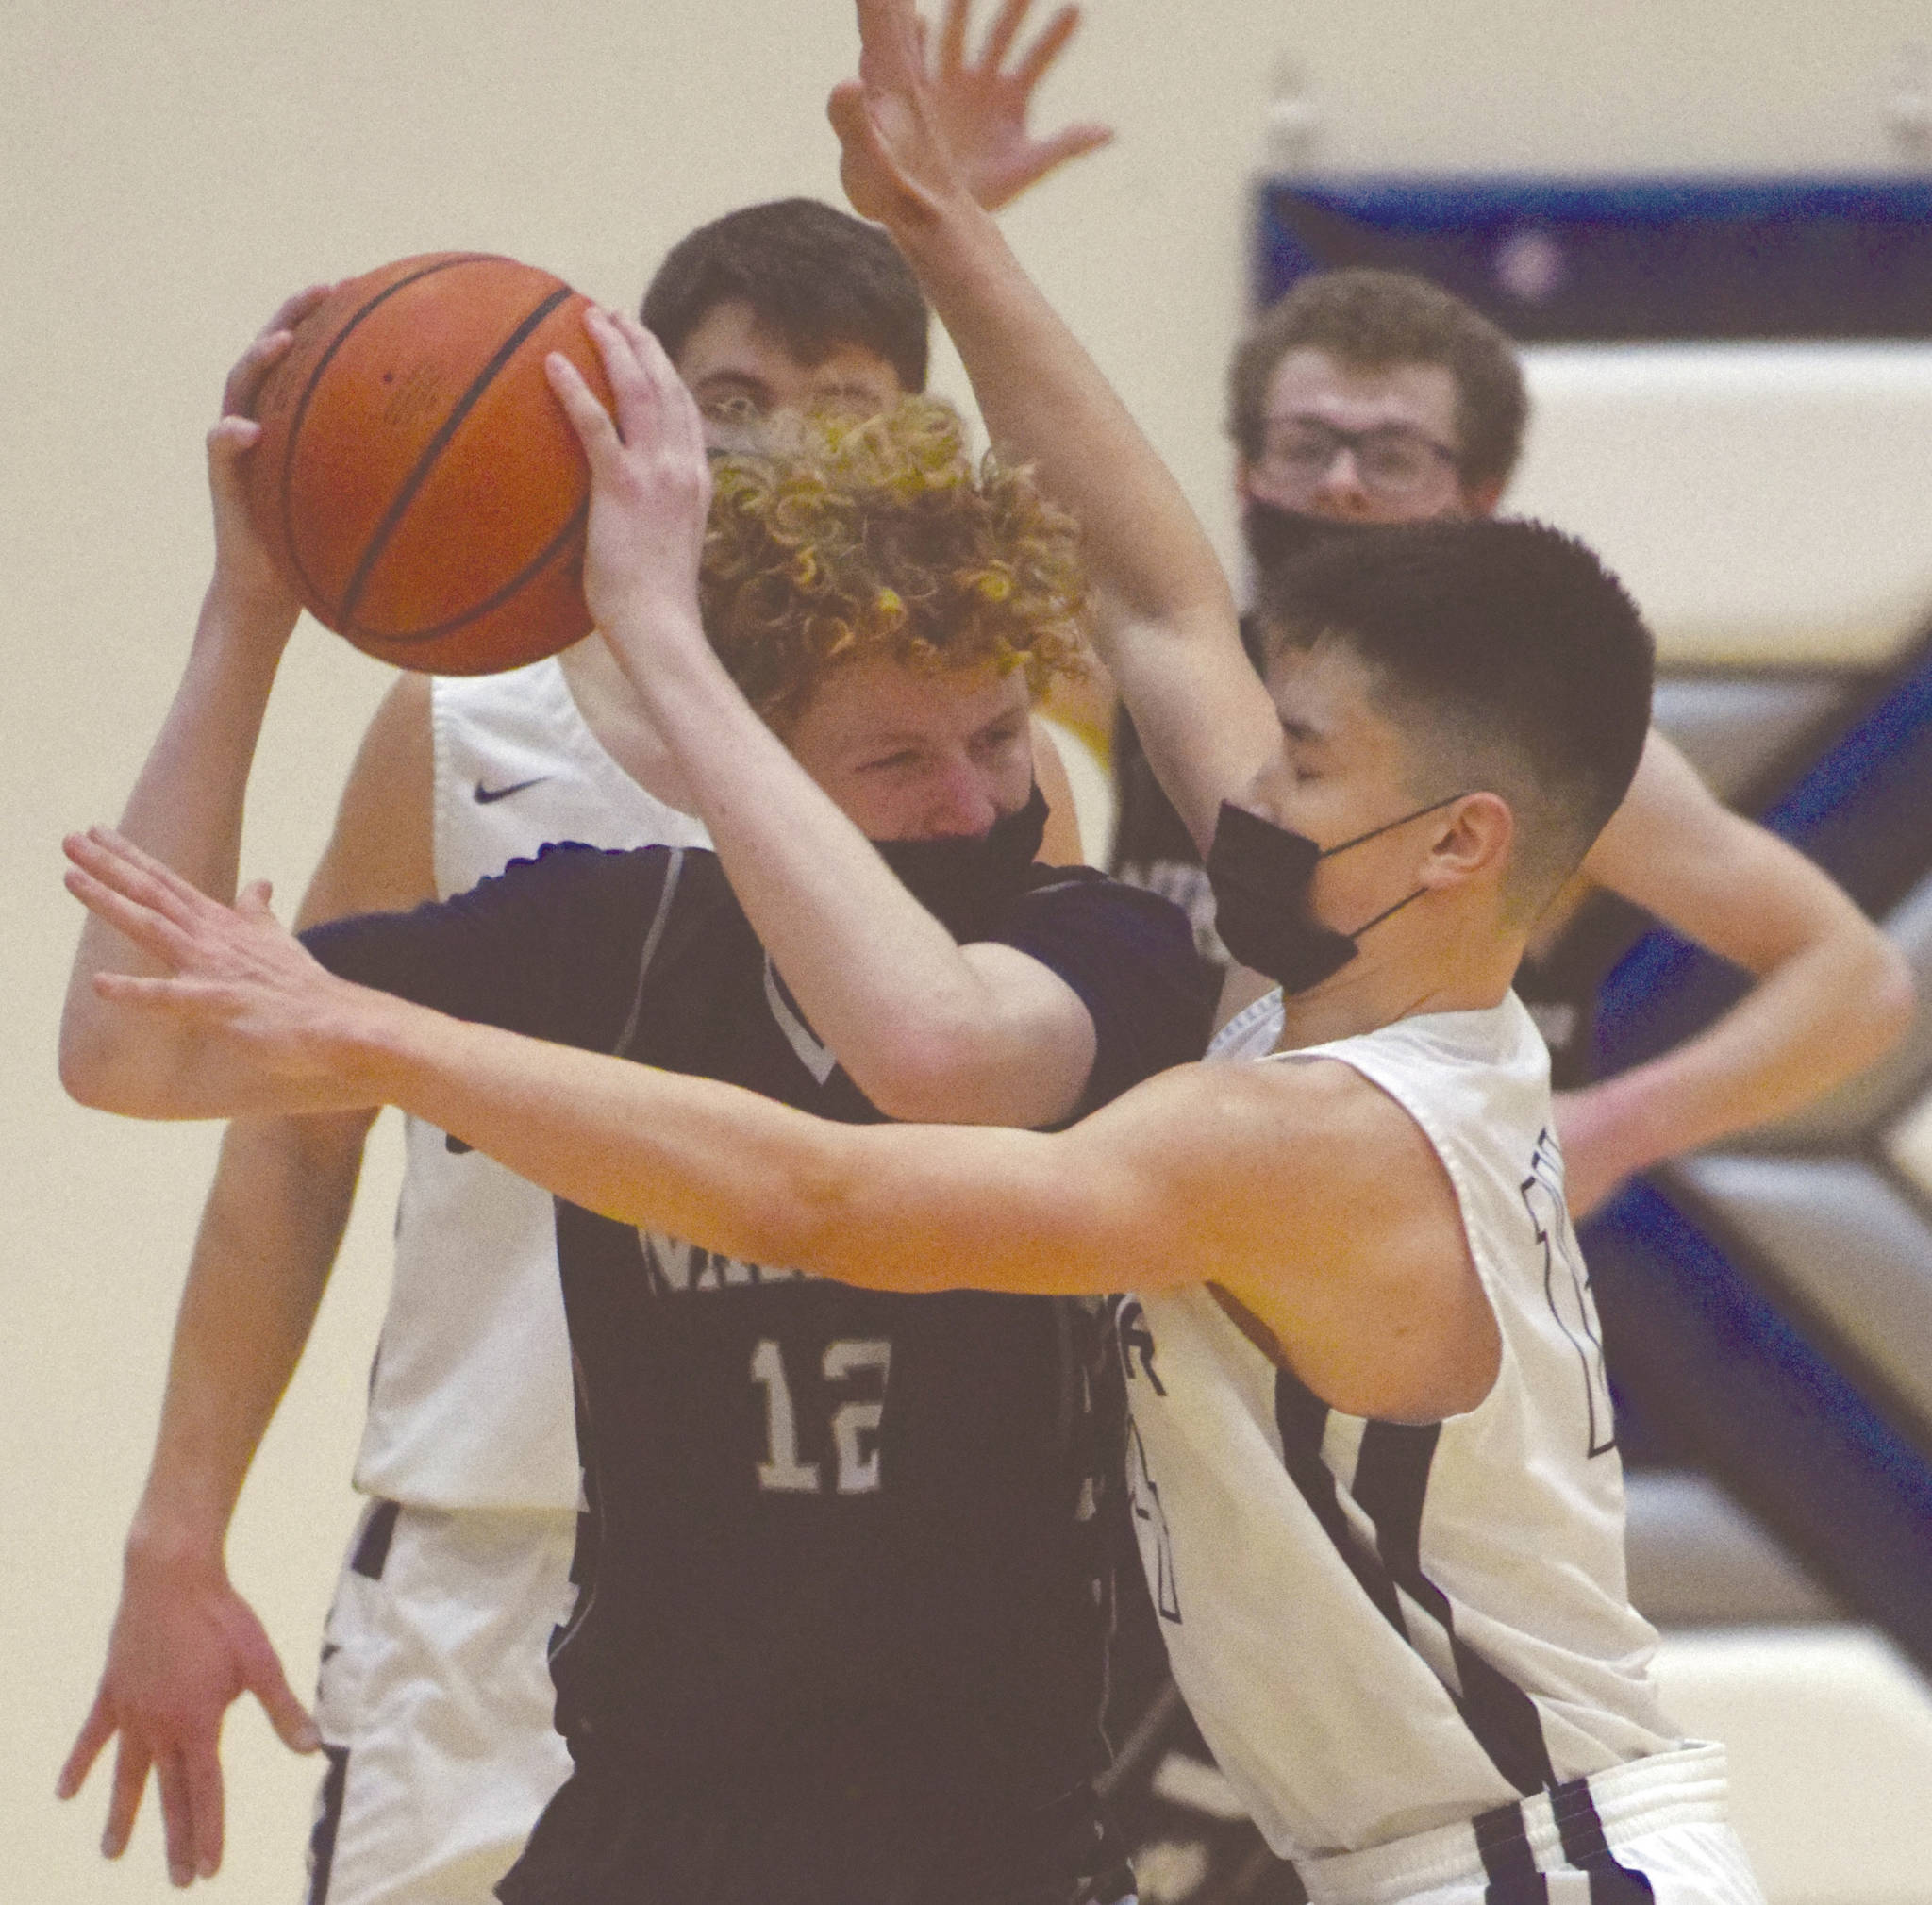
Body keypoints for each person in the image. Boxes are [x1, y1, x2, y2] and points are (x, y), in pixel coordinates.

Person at [56, 8, 1775, 1896]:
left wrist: (381, 1027)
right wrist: (941, 225)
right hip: (754, 1785)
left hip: (1458, 1852)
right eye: (897, 757)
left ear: (1455, 842)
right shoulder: (1290, 1004)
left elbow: (843, 1173)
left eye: (1299, 762)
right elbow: (1163, 602)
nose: (1232, 791)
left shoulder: (1245, 1068)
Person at [53, 11, 1114, 1897]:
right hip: (495, 1546)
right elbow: (252, 1106)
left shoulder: (989, 787)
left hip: (865, 1599)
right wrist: (176, 1526)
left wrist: (958, 237)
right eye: (732, 399)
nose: (781, 448)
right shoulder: (488, 759)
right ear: (632, 422)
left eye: (845, 404)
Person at [1111, 263, 1913, 1222]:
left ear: (1478, 495)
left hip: (1420, 1231)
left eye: (1393, 457)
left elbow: (1856, 980)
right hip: (1163, 1214)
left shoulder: (1533, 736)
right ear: (1244, 470)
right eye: (1304, 445)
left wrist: (1611, 1129)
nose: (1340, 483)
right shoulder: (1154, 672)